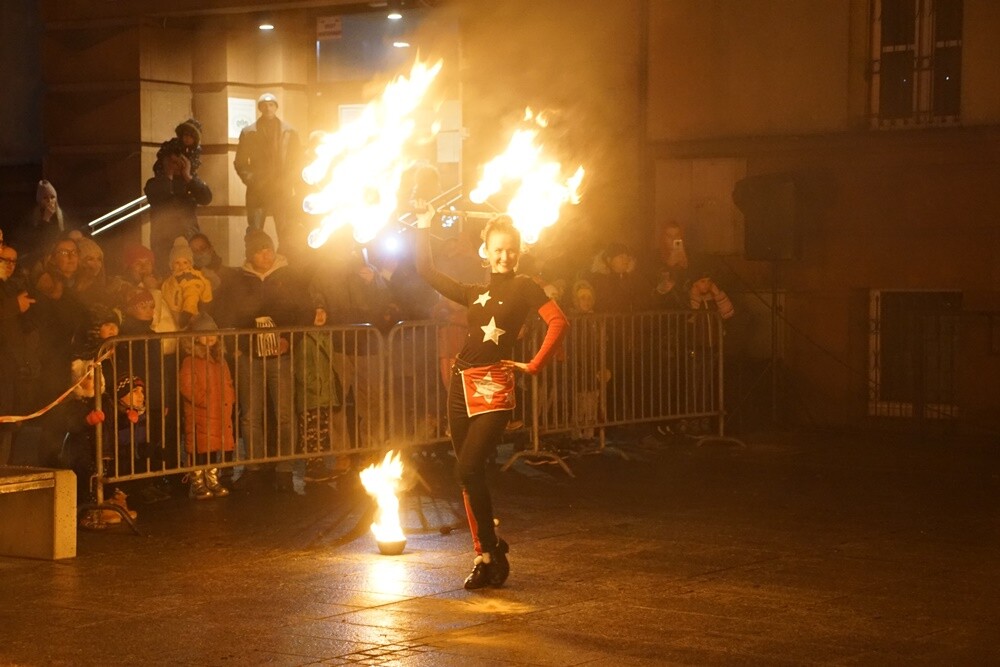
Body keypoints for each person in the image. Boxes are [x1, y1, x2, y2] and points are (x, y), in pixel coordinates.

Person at [413, 204, 569, 590]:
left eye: (511, 249)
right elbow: (426, 271)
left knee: (466, 469)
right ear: (486, 251)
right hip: (460, 385)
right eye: (498, 249)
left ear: (519, 251)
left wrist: (534, 365)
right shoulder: (475, 293)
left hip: (495, 388)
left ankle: (491, 548)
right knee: (470, 476)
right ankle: (486, 554)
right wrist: (423, 224)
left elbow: (559, 321)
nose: (505, 255)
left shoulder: (525, 286)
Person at [216, 230, 307, 494]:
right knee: (250, 415)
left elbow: (301, 312)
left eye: (268, 249)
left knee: (285, 414)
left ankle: (285, 470)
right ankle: (254, 467)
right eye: (259, 250)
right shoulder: (239, 280)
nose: (265, 255)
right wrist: (237, 348)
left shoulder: (288, 276)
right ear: (250, 254)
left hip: (282, 354)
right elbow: (227, 314)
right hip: (250, 356)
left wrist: (289, 339)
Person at [233, 93, 302, 255]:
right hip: (259, 190)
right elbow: (240, 162)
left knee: (285, 231)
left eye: (271, 105)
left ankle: (287, 263)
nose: (268, 108)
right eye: (264, 105)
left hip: (281, 190)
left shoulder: (290, 132)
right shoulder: (249, 132)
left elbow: (297, 160)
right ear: (259, 108)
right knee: (255, 232)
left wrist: (289, 181)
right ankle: (254, 260)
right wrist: (252, 180)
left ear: (276, 107)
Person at [178, 314, 235, 500]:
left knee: (213, 447)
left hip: (218, 411)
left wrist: (229, 399)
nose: (210, 337)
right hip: (201, 412)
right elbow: (187, 386)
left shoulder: (220, 360)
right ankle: (197, 483)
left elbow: (227, 381)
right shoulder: (190, 360)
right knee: (198, 448)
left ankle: (212, 479)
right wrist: (203, 401)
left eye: (213, 333)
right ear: (195, 337)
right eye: (204, 333)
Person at [144, 139, 213, 277]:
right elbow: (157, 196)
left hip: (190, 238)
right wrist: (168, 175)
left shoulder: (190, 183)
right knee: (166, 277)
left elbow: (206, 198)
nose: (176, 166)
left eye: (179, 161)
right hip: (164, 242)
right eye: (172, 162)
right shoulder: (154, 183)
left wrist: (188, 176)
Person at [160, 237, 213, 330]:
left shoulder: (190, 277)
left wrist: (187, 313)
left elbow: (191, 295)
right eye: (177, 262)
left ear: (190, 264)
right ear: (171, 265)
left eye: (185, 262)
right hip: (174, 315)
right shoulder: (170, 280)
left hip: (187, 318)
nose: (181, 266)